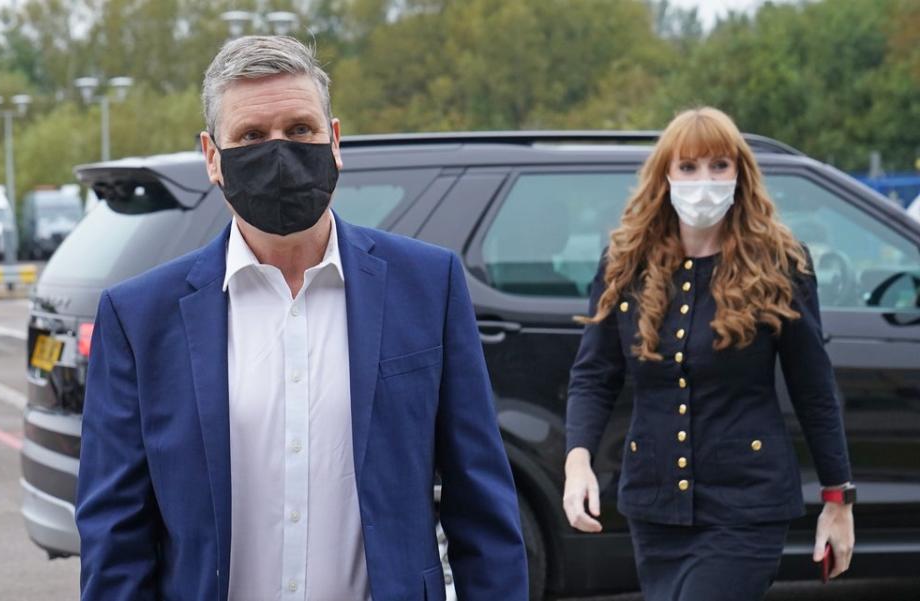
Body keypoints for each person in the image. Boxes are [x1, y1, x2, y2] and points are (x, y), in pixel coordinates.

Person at [76, 36, 528, 601]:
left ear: (334, 140)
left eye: (299, 130)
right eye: (250, 137)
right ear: (212, 157)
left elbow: (481, 505)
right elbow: (115, 535)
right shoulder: (140, 317)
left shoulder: (426, 286)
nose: (279, 152)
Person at [562, 107, 855, 601]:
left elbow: (814, 389)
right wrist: (578, 463)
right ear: (666, 176)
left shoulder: (780, 263)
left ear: (740, 174)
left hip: (746, 502)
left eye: (720, 166)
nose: (705, 181)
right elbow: (595, 374)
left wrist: (838, 501)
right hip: (655, 504)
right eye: (690, 167)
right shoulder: (626, 262)